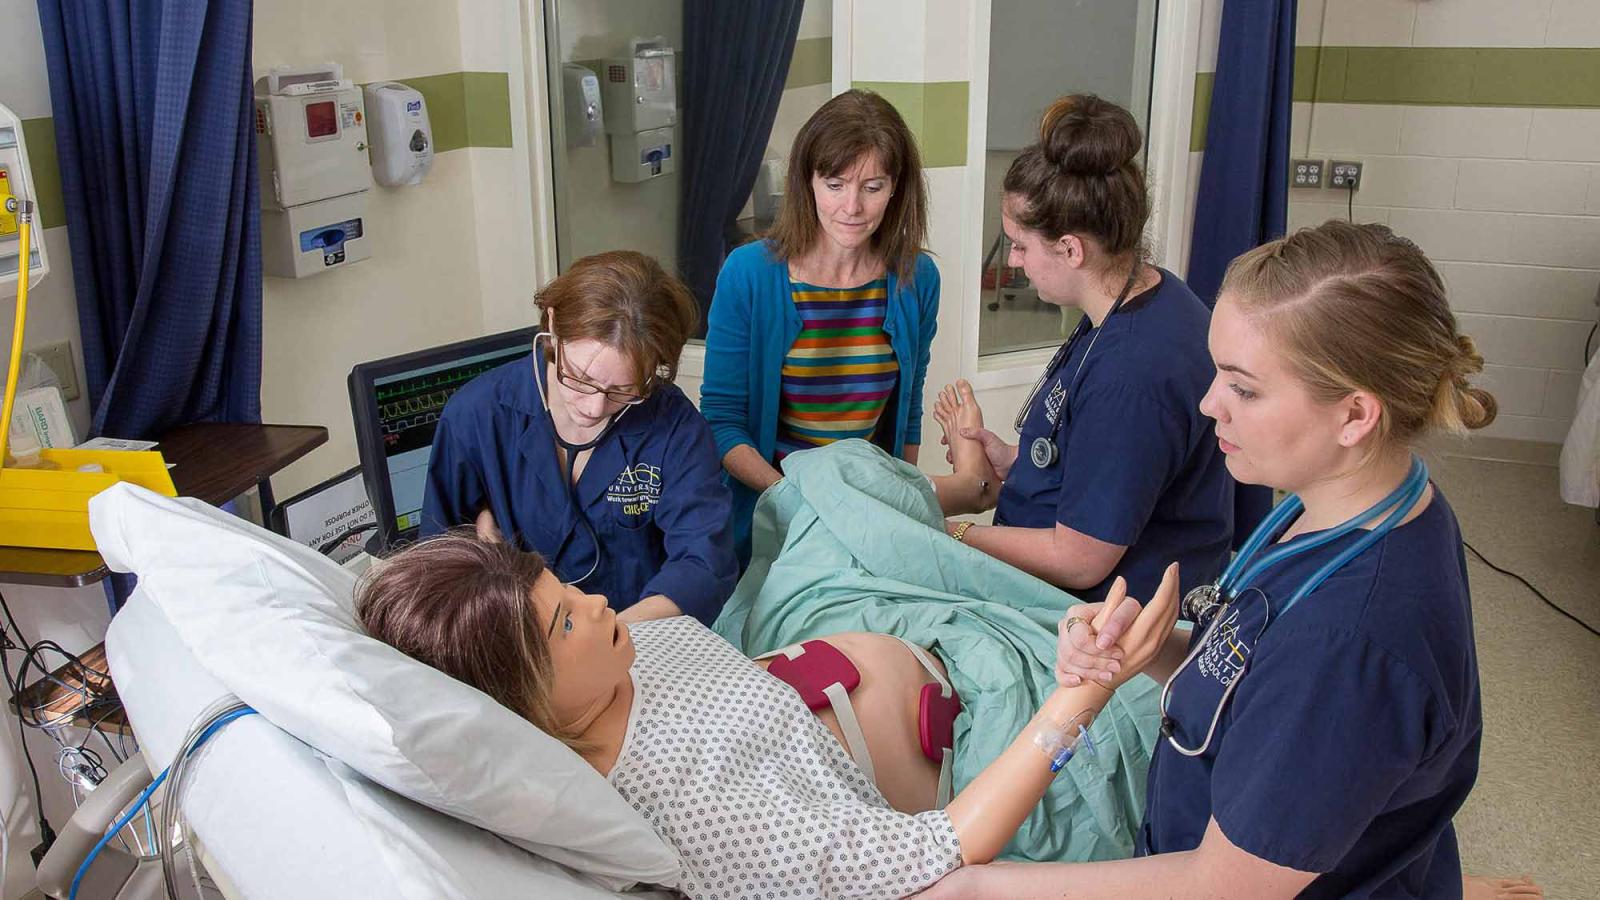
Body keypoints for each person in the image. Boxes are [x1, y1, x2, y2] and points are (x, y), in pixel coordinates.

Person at [922, 220, 1542, 900]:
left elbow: (1222, 886)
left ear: (1355, 416)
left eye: (1243, 387)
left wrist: (977, 888)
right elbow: (1259, 664)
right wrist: (1155, 650)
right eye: (1216, 370)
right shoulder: (1353, 507)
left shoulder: (1347, 648)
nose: (1209, 403)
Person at [356, 530, 1181, 900]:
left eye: (564, 587)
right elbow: (953, 848)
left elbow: (656, 619)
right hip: (987, 740)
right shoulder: (708, 815)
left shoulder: (617, 659)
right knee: (1159, 692)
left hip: (917, 642)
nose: (596, 600)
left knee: (834, 482)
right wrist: (1079, 700)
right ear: (521, 702)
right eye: (563, 620)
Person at [935, 94, 1231, 604]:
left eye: (1021, 246)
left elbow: (1079, 560)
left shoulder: (1133, 376)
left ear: (1071, 249)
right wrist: (1021, 462)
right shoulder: (1148, 295)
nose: (1016, 262)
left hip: (1097, 619)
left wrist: (952, 536)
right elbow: (1102, 458)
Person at [420, 251, 737, 625]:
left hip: (639, 638)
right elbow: (433, 566)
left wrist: (608, 637)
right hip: (515, 640)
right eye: (581, 378)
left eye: (624, 389)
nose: (594, 406)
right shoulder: (478, 415)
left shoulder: (674, 428)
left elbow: (703, 563)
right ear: (553, 325)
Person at [701, 89, 940, 564]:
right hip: (773, 513)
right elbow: (722, 422)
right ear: (806, 182)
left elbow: (907, 411)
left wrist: (897, 505)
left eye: (872, 187)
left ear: (896, 189)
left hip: (871, 515)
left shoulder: (918, 279)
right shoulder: (749, 274)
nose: (852, 206)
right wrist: (800, 500)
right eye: (835, 184)